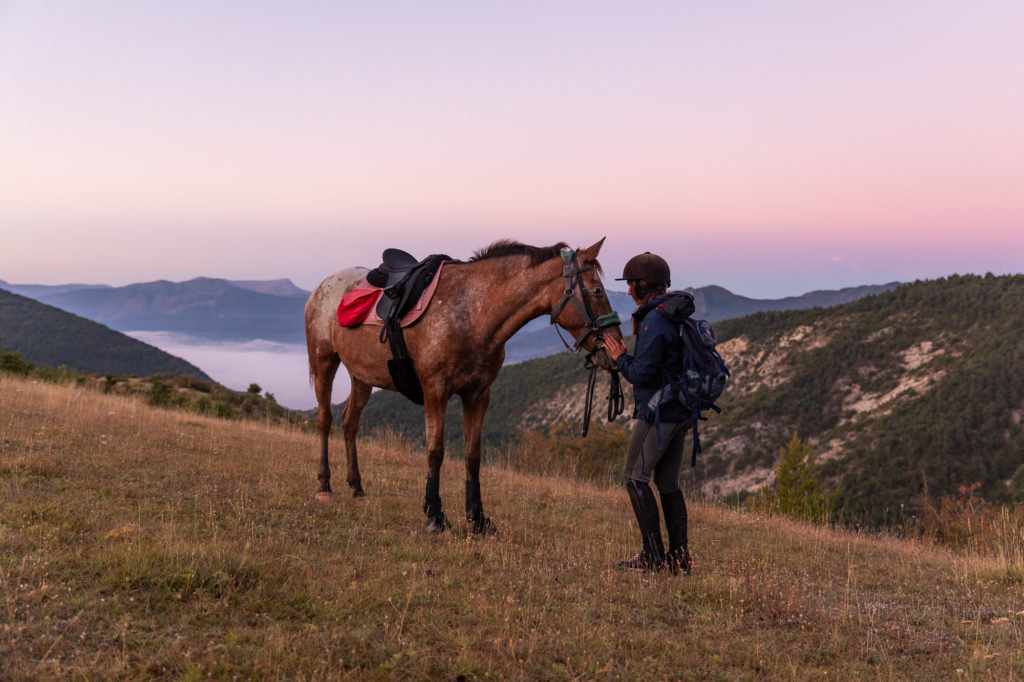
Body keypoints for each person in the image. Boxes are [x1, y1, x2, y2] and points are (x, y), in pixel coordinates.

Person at [603, 252, 693, 574]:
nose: (628, 291)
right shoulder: (671, 314)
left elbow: (642, 374)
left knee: (634, 478)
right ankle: (679, 560)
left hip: (659, 413)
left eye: (631, 284)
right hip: (682, 410)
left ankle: (654, 557)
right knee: (668, 483)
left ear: (643, 285)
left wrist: (620, 357)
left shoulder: (655, 320)